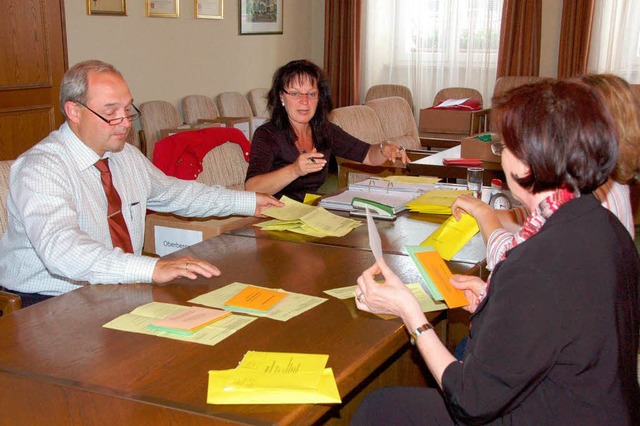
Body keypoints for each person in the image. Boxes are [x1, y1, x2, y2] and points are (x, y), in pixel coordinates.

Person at [352, 80, 640, 424]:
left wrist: (411, 315)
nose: (499, 154)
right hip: (603, 408)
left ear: (524, 166)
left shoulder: (534, 265)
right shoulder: (604, 226)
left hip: (552, 413)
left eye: (504, 146)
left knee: (379, 409)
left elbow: (471, 400)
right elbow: (566, 314)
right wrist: (495, 297)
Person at [0, 60, 282, 307]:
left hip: (114, 288)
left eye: (127, 109)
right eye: (111, 112)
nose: (124, 123)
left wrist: (248, 202)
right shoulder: (41, 168)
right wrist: (152, 267)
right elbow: (64, 251)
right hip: (46, 302)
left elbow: (175, 193)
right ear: (74, 111)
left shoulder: (124, 156)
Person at [452, 74, 639, 272]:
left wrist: (484, 214)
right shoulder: (610, 181)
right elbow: (537, 218)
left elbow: (512, 263)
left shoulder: (590, 192)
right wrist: (484, 215)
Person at [245, 59, 409, 202]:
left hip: (308, 215)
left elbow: (368, 155)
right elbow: (252, 188)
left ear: (319, 98)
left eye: (311, 94)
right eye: (295, 94)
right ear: (281, 97)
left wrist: (383, 148)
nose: (304, 101)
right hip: (272, 219)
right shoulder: (267, 135)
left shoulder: (324, 130)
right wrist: (295, 170)